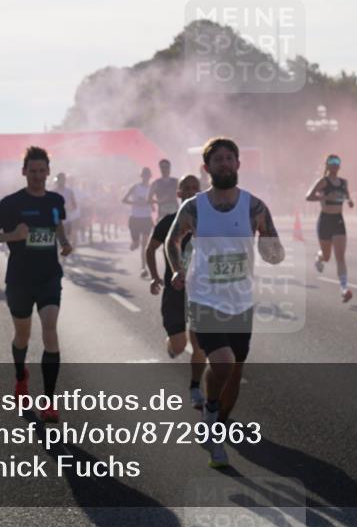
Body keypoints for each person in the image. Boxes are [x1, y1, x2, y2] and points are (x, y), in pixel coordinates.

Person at [166, 137, 285, 468]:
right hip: (204, 297)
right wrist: (177, 269)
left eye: (229, 158)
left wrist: (274, 251)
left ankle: (215, 424)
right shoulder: (194, 207)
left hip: (241, 300)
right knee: (222, 363)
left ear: (238, 164)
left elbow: (273, 249)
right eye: (218, 159)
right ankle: (210, 413)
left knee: (234, 372)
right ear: (207, 168)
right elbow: (173, 241)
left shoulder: (254, 206)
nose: (224, 164)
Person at [0, 146, 73, 423]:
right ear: (24, 172)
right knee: (22, 336)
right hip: (20, 279)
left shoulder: (56, 200)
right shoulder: (11, 203)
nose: (37, 176)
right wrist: (12, 234)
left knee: (50, 330)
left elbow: (57, 224)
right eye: (32, 171)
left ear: (48, 172)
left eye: (41, 171)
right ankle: (21, 377)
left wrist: (64, 241)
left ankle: (49, 401)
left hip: (49, 277)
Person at [146, 174, 205, 409]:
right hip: (175, 290)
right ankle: (172, 345)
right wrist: (154, 276)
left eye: (194, 188)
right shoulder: (168, 222)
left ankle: (195, 388)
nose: (190, 192)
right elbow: (150, 249)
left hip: (201, 291)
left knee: (200, 344)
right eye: (186, 188)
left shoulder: (208, 222)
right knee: (180, 346)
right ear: (179, 193)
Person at [306, 154, 355, 303]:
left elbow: (348, 197)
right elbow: (308, 197)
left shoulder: (343, 182)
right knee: (327, 256)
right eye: (332, 162)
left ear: (339, 165)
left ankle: (344, 288)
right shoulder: (323, 181)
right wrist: (324, 198)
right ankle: (319, 257)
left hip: (338, 220)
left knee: (340, 256)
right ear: (327, 165)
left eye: (337, 162)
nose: (334, 164)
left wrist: (350, 202)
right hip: (325, 220)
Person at [123, 167, 154, 278]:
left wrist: (152, 205)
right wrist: (136, 203)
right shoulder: (135, 187)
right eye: (144, 175)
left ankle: (143, 268)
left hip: (146, 218)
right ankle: (134, 243)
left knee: (145, 245)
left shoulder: (151, 188)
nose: (146, 177)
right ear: (141, 176)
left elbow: (152, 202)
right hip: (135, 218)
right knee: (136, 244)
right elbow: (124, 200)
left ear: (150, 176)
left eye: (147, 175)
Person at [53, 173, 79, 249]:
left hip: (67, 218)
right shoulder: (53, 192)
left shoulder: (69, 192)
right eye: (60, 180)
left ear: (65, 181)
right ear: (57, 181)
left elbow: (75, 205)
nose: (61, 182)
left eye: (63, 180)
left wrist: (68, 208)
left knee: (67, 236)